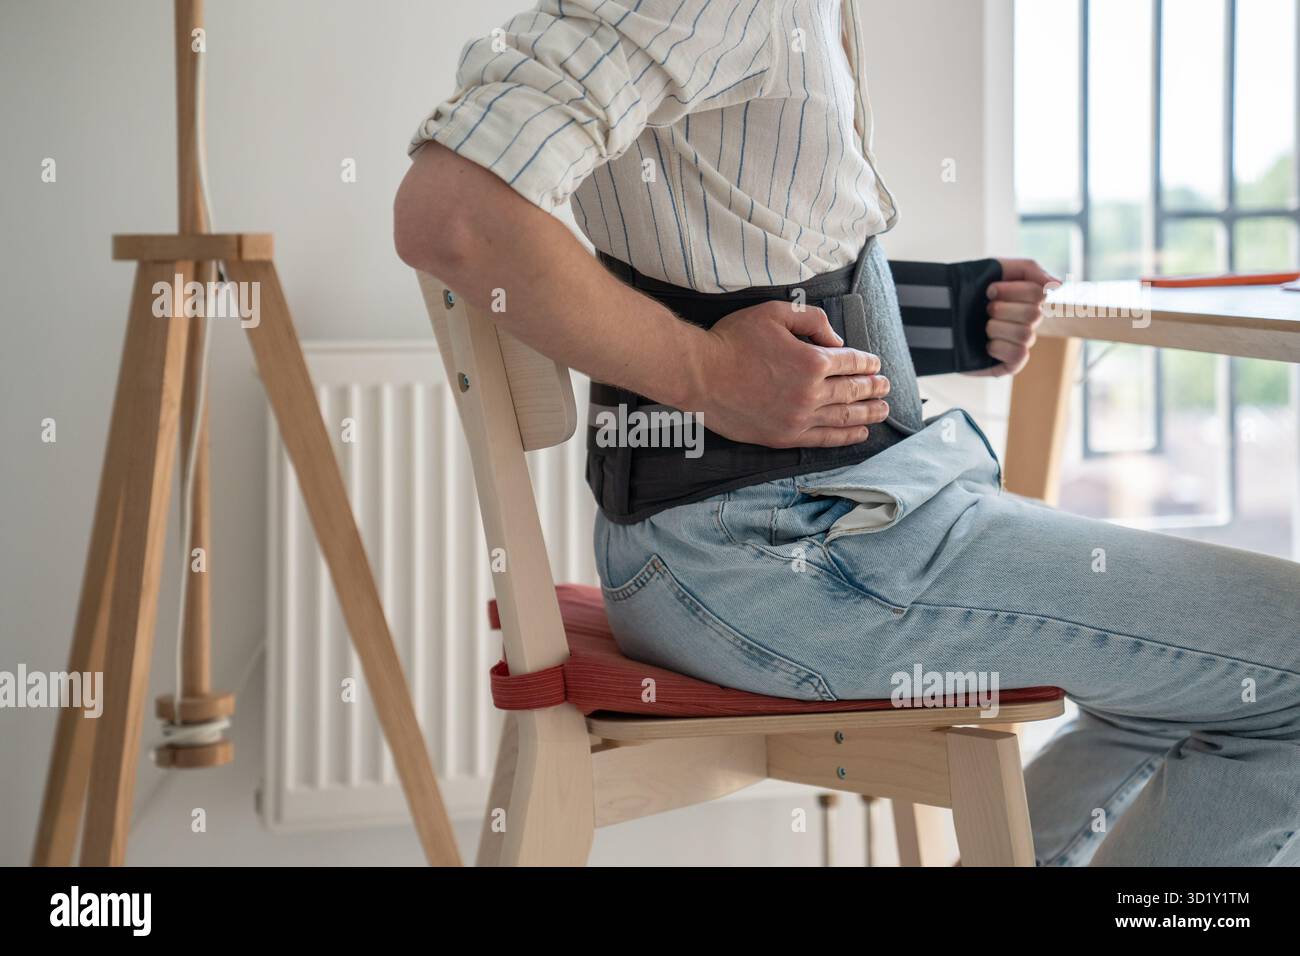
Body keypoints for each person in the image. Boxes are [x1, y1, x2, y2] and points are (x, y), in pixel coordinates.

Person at [394, 0, 1300, 866]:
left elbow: (725, 256)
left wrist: (941, 314)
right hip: (786, 556)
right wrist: (709, 377)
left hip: (785, 535)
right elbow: (455, 215)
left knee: (1185, 682)